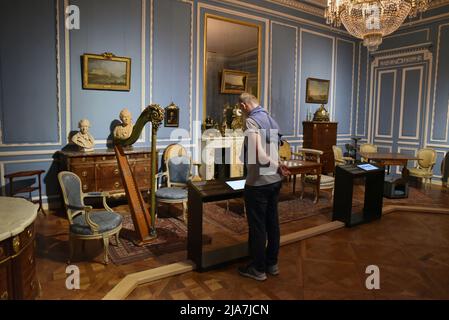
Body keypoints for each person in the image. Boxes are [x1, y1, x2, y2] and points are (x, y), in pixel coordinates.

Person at [237, 92, 290, 281]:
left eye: (240, 109)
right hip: (274, 181)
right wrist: (278, 168)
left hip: (259, 182)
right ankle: (272, 264)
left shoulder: (252, 121)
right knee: (272, 224)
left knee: (258, 227)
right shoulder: (269, 118)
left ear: (244, 106)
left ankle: (258, 269)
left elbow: (258, 155)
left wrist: (278, 166)